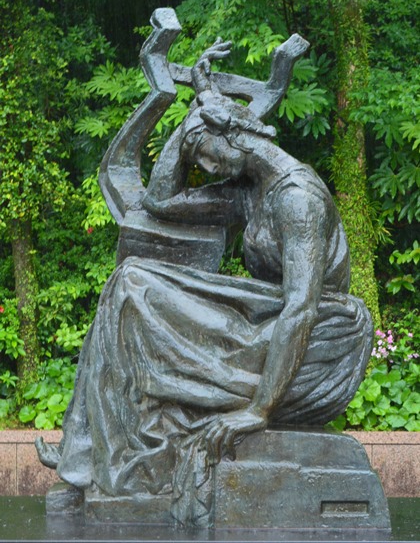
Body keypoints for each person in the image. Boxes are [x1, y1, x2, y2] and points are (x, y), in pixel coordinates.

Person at [36, 40, 372, 526]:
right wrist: (188, 123)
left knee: (134, 284)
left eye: (205, 154)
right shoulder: (249, 191)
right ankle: (84, 452)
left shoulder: (298, 199)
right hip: (267, 317)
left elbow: (301, 307)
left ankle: (88, 457)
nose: (206, 169)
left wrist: (259, 410)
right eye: (198, 159)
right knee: (129, 282)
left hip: (318, 333)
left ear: (234, 132)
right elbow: (159, 201)